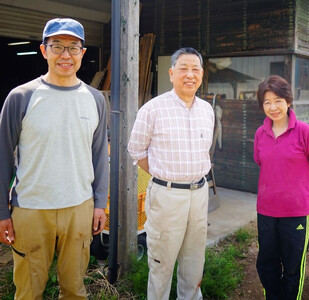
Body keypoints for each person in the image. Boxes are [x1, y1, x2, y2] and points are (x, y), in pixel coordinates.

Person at [0, 18, 109, 299]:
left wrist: (99, 203)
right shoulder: (21, 97)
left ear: (83, 54)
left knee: (74, 289)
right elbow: (3, 157)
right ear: (44, 50)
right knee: (28, 290)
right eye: (57, 46)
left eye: (73, 48)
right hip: (32, 208)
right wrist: (2, 212)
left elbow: (99, 156)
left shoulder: (96, 99)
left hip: (79, 207)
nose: (65, 55)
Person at [128, 47, 214, 300]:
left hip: (199, 194)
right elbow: (136, 150)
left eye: (195, 69)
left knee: (194, 257)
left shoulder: (206, 110)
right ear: (171, 73)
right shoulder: (153, 109)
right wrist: (163, 176)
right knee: (161, 260)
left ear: (201, 74)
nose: (190, 75)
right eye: (183, 69)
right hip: (166, 196)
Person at [253, 75, 309, 300]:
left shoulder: (305, 131)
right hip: (266, 211)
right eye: (267, 102)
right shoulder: (260, 134)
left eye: (278, 100)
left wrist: (302, 186)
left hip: (295, 212)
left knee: (293, 267)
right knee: (267, 264)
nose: (273, 107)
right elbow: (262, 163)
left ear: (288, 100)